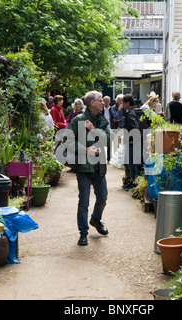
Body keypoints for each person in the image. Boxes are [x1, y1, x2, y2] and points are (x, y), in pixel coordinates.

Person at [66, 91, 112, 246]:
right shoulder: (78, 120)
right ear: (92, 103)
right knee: (84, 201)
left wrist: (93, 130)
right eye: (100, 100)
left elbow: (108, 139)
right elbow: (67, 141)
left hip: (99, 167)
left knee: (103, 198)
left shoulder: (102, 121)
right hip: (84, 167)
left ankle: (96, 220)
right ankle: (83, 233)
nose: (103, 103)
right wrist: (85, 150)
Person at [121, 94, 141, 191]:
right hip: (133, 141)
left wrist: (133, 139)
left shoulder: (131, 114)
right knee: (130, 162)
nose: (122, 105)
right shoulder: (134, 111)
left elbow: (135, 127)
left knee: (132, 163)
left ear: (128, 103)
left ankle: (134, 183)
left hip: (132, 142)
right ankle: (132, 182)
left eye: (123, 103)